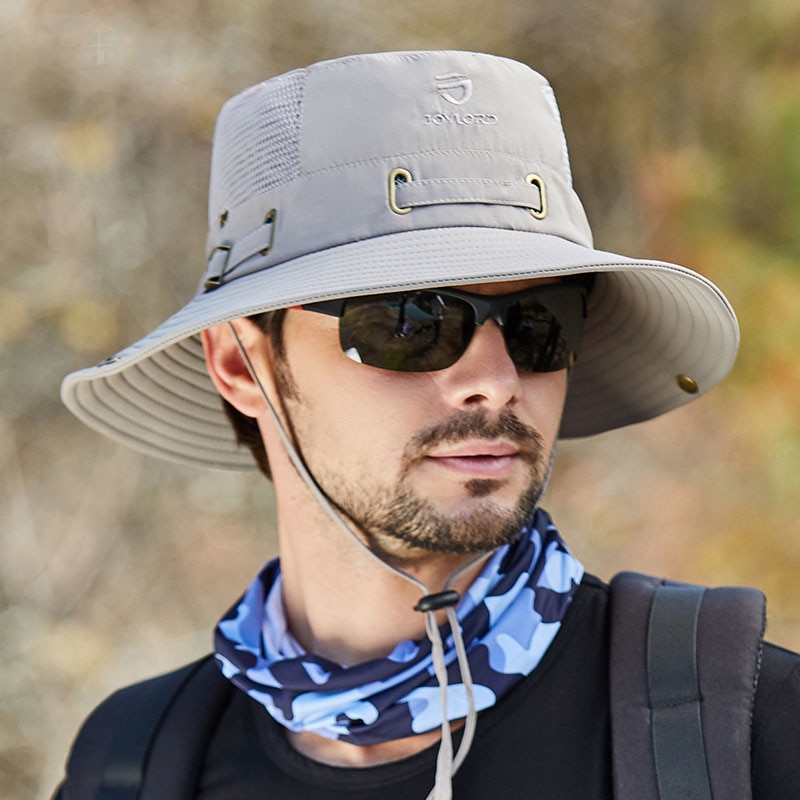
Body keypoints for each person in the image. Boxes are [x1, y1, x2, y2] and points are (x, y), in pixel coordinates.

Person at [55, 50, 799, 799]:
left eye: (540, 321)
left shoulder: (751, 730)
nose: (496, 380)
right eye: (412, 321)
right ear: (241, 365)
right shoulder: (130, 765)